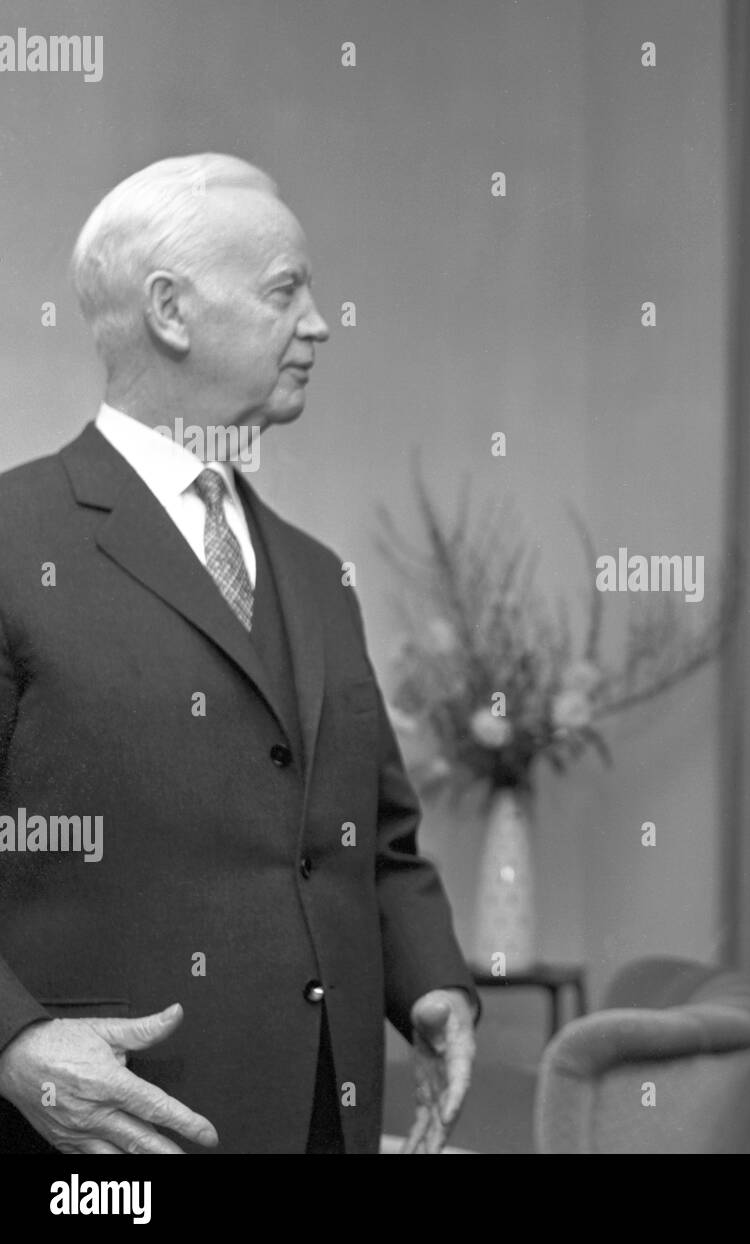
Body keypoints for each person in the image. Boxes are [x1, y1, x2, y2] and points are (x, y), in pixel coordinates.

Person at [0, 154, 477, 1154]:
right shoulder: (13, 540)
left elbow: (369, 833)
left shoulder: (313, 572)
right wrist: (16, 1038)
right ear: (170, 311)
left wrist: (429, 980)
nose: (320, 322)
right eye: (285, 290)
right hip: (103, 1141)